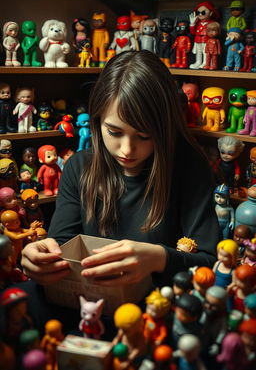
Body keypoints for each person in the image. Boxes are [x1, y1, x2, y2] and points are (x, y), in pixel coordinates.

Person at [20, 50, 220, 326]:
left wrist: (158, 259)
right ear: (97, 121)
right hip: (86, 303)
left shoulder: (188, 168)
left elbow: (213, 265)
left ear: (164, 130)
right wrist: (40, 259)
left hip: (157, 309)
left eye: (144, 136)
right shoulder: (79, 167)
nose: (127, 150)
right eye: (114, 132)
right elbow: (61, 244)